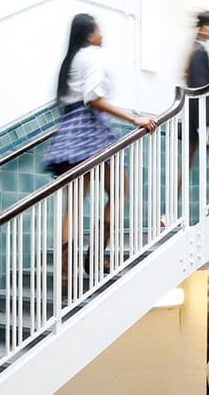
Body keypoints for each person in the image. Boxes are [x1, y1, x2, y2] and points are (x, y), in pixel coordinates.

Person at [43, 14, 156, 287]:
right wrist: (133, 118)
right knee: (120, 193)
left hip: (70, 130)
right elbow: (94, 98)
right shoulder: (93, 55)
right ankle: (94, 255)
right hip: (91, 129)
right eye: (99, 28)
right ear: (89, 33)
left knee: (74, 204)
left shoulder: (71, 60)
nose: (102, 34)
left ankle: (66, 274)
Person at [183, 10, 209, 170]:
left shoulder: (197, 50)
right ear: (204, 27)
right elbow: (199, 88)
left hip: (197, 118)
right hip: (200, 118)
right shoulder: (199, 53)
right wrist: (207, 123)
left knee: (187, 162)